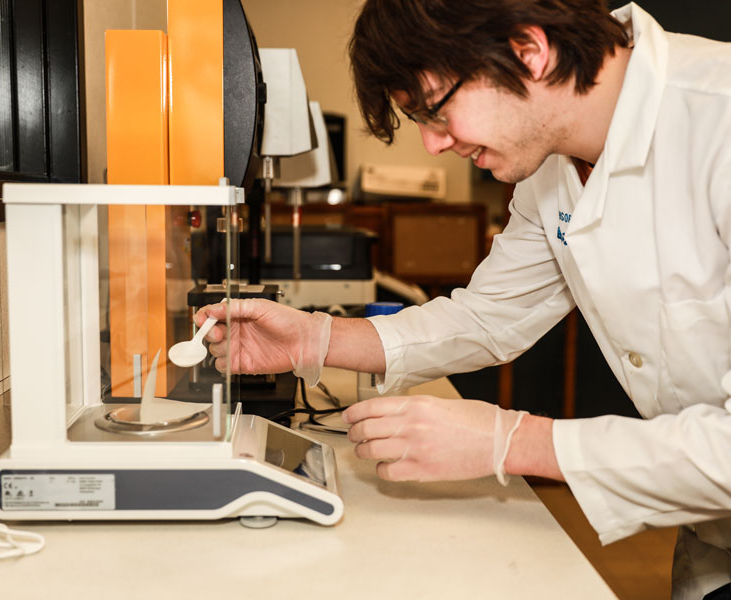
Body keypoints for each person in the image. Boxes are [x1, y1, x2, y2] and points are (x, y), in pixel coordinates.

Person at [197, 2, 731, 597]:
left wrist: (513, 441)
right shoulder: (555, 161)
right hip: (711, 537)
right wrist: (316, 338)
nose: (431, 145)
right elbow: (489, 315)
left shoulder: (719, 122)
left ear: (529, 51)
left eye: (436, 112)